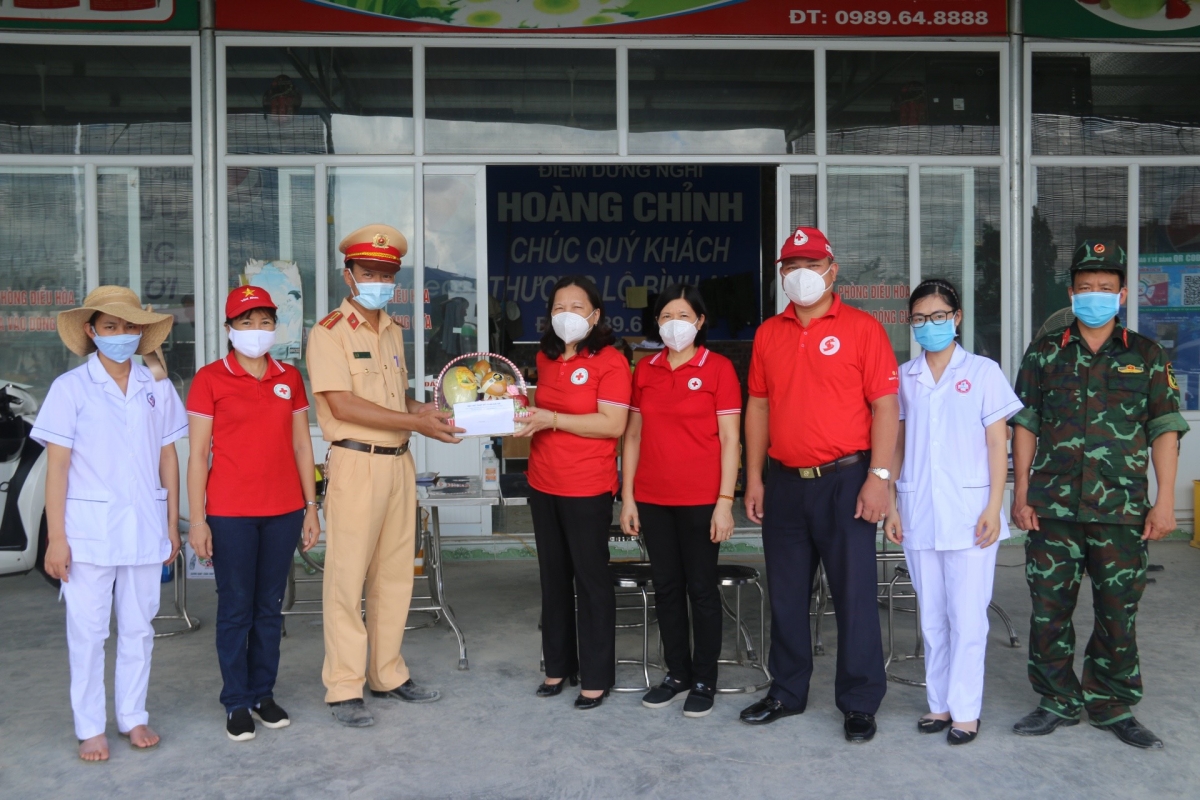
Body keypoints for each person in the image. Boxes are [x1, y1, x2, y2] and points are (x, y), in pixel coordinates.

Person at [1009, 241, 1187, 749]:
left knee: (1117, 612)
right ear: (1071, 293)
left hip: (1121, 510)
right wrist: (1021, 493)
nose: (1095, 295)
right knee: (1049, 612)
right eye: (1086, 287)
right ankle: (1056, 701)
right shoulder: (1045, 352)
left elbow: (1164, 429)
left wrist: (1164, 501)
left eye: (1106, 287)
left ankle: (1112, 704)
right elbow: (1025, 424)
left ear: (1122, 295)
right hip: (1052, 508)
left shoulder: (1146, 355)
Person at [739, 227, 899, 743]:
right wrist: (754, 477)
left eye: (810, 265)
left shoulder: (862, 329)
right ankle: (786, 691)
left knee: (855, 596)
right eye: (791, 267)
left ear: (833, 270)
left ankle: (859, 701)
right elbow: (758, 407)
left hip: (846, 480)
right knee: (786, 595)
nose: (800, 275)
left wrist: (879, 478)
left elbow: (885, 407)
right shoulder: (769, 334)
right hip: (785, 483)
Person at [306, 224, 464, 728]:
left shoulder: (393, 330)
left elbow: (394, 398)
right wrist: (414, 422)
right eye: (368, 272)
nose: (377, 281)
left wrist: (426, 413)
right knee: (347, 578)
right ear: (349, 275)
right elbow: (342, 404)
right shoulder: (328, 332)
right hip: (356, 463)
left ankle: (388, 674)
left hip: (399, 463)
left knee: (395, 575)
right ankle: (343, 686)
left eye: (386, 274)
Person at [33, 286, 187, 762]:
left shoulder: (156, 386)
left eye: (129, 326)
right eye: (110, 326)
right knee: (88, 633)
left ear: (141, 332)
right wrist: (56, 538)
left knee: (139, 628)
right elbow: (57, 468)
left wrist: (172, 525)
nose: (121, 334)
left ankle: (133, 716)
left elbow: (168, 457)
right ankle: (90, 727)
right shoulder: (70, 388)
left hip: (145, 525)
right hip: (87, 531)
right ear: (91, 331)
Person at [883, 279, 1023, 746]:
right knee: (931, 616)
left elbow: (997, 443)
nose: (930, 325)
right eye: (920, 319)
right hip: (919, 508)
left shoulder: (983, 371)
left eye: (939, 316)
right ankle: (938, 704)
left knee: (968, 617)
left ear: (957, 318)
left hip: (971, 513)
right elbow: (897, 444)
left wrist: (994, 507)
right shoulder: (904, 376)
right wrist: (892, 505)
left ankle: (966, 711)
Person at [186, 287, 321, 741]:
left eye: (265, 322)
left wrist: (311, 507)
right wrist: (198, 519)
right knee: (235, 607)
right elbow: (197, 454)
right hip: (230, 514)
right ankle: (236, 701)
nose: (257, 331)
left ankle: (263, 693)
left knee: (269, 607)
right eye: (246, 322)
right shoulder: (210, 378)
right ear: (229, 329)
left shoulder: (290, 377)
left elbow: (302, 445)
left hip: (284, 510)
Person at [619, 283, 741, 718]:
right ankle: (677, 674)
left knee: (701, 589)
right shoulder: (645, 369)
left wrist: (725, 501)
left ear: (700, 321)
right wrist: (627, 497)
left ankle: (704, 679)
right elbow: (632, 436)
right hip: (652, 498)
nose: (675, 324)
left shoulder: (718, 369)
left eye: (684, 316)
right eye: (667, 316)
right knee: (667, 588)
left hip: (701, 501)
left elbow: (730, 439)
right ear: (656, 322)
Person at [513, 275, 631, 710]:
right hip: (543, 482)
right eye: (559, 307)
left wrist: (553, 420)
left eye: (577, 307)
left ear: (595, 315)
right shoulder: (544, 359)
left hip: (587, 485)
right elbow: (536, 414)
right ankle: (558, 666)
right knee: (553, 578)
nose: (567, 315)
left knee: (591, 580)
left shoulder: (610, 361)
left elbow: (613, 424)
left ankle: (596, 676)